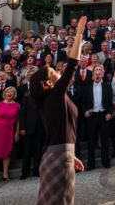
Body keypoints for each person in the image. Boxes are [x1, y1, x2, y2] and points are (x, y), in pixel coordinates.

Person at [30, 15, 87, 205]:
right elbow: (72, 64)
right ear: (48, 82)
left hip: (60, 155)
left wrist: (72, 155)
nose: (57, 70)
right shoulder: (53, 95)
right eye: (53, 71)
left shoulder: (52, 99)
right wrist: (79, 33)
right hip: (59, 159)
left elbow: (61, 130)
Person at [82, 64, 113, 170]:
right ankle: (91, 164)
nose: (98, 76)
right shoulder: (86, 88)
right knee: (91, 140)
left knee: (105, 140)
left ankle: (106, 162)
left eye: (100, 74)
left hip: (103, 115)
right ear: (92, 76)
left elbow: (110, 101)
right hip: (92, 116)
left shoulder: (107, 86)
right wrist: (85, 111)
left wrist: (109, 112)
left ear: (102, 75)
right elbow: (83, 103)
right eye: (96, 74)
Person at [18, 68, 43, 180]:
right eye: (30, 75)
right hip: (28, 128)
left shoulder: (42, 92)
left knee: (38, 150)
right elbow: (22, 113)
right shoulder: (26, 96)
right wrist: (22, 127)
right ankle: (25, 172)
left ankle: (37, 170)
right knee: (27, 151)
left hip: (40, 127)